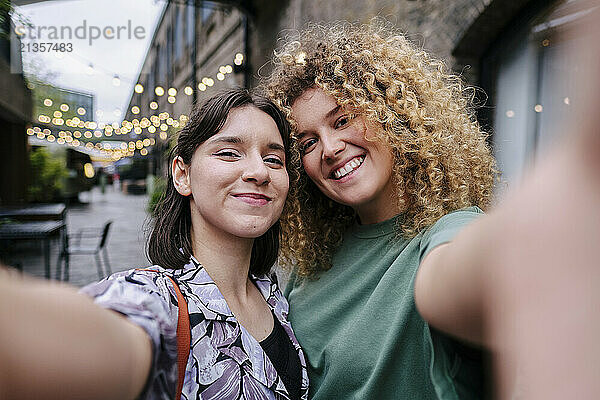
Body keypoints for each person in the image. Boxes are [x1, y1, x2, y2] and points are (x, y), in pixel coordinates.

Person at [263, 13, 600, 400]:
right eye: (307, 142)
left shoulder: (448, 233)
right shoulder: (310, 265)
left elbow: (463, 278)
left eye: (343, 120)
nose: (330, 148)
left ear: (392, 114)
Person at [0, 88, 309, 400]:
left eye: (273, 159)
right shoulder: (153, 299)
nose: (259, 171)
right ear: (182, 174)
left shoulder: (273, 293)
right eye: (229, 153)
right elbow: (80, 344)